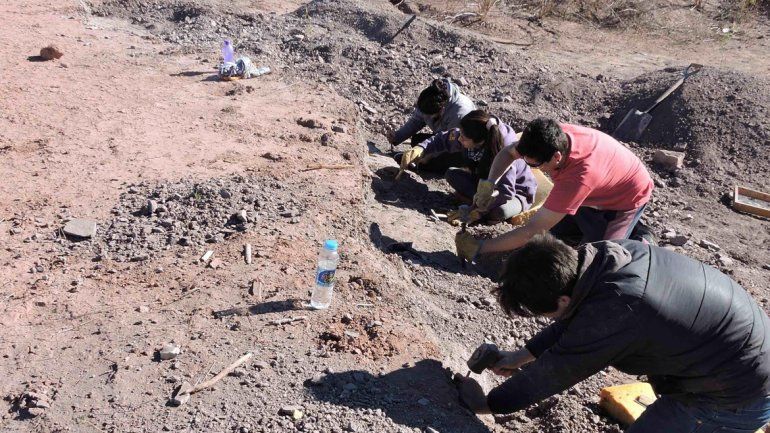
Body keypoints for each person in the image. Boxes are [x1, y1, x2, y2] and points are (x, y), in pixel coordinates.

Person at [456, 233, 770, 432]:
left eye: (545, 311)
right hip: (738, 358)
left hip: (738, 394)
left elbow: (556, 372)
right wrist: (520, 357)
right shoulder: (604, 258)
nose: (548, 318)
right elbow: (575, 321)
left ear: (563, 299)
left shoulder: (620, 305)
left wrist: (486, 403)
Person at [455, 118, 654, 261]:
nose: (534, 169)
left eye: (536, 165)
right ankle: (596, 225)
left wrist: (480, 247)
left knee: (602, 259)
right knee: (556, 234)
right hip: (600, 186)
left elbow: (531, 231)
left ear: (557, 157)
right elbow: (508, 152)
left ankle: (640, 239)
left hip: (627, 196)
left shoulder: (577, 178)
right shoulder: (550, 136)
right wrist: (488, 185)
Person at [399, 110, 537, 224]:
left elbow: (505, 192)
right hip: (484, 183)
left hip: (516, 192)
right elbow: (442, 139)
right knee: (451, 174)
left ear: (480, 141)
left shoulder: (505, 152)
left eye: (464, 139)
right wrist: (420, 149)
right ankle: (474, 202)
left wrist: (475, 211)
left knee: (499, 212)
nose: (460, 139)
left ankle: (477, 208)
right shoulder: (470, 134)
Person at [387, 78, 476, 172]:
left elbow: (451, 141)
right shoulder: (428, 99)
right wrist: (397, 136)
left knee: (442, 159)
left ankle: (421, 166)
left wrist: (429, 156)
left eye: (430, 116)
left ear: (441, 110)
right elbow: (416, 121)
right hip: (445, 137)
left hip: (463, 146)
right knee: (416, 140)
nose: (426, 117)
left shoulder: (460, 113)